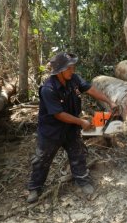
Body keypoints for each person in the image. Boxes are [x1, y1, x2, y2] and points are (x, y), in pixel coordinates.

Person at [27, 52, 117, 203]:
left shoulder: (73, 79)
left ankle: (82, 181)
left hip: (70, 128)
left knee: (78, 154)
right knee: (42, 160)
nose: (73, 70)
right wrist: (82, 122)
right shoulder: (48, 89)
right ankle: (34, 188)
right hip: (51, 131)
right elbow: (59, 115)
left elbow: (90, 89)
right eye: (69, 68)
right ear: (60, 70)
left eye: (73, 67)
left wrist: (109, 101)